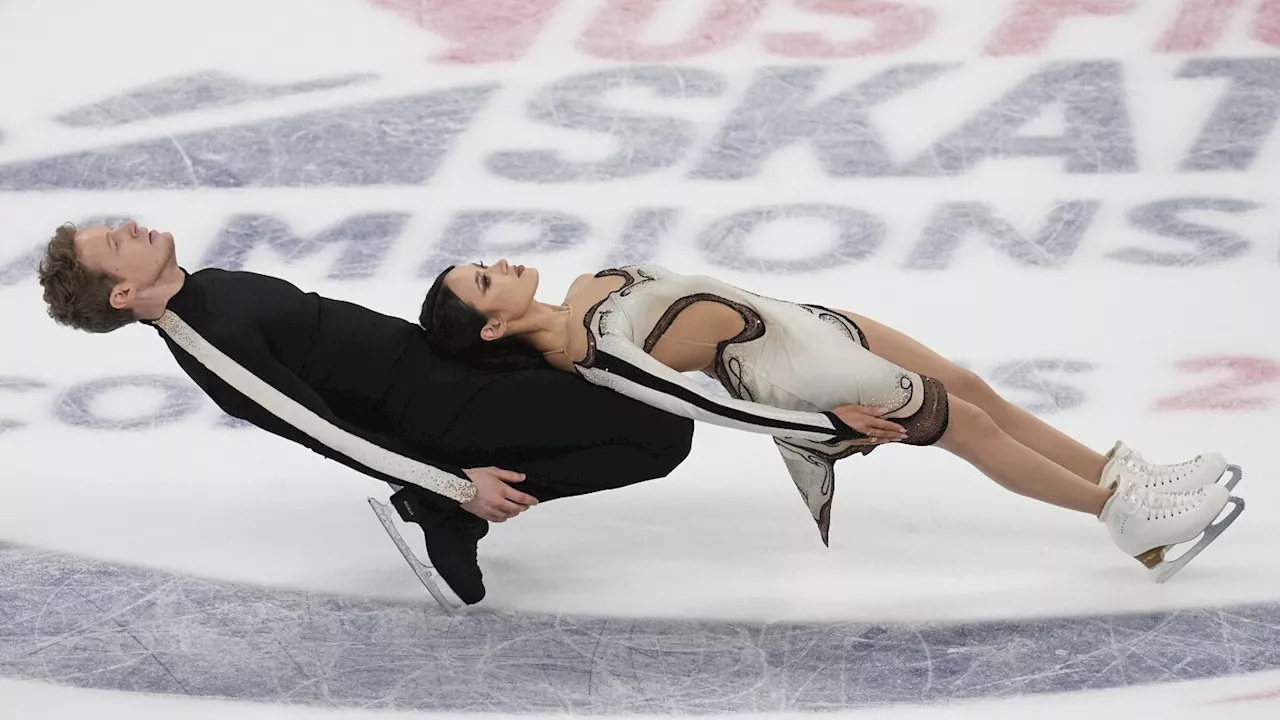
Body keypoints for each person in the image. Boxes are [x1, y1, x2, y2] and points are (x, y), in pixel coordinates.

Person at [418, 259, 1245, 583]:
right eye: (485, 283)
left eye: (483, 265)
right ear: (494, 328)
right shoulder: (602, 350)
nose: (499, 266)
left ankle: (1119, 473)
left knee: (969, 384)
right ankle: (1123, 519)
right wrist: (822, 423)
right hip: (801, 373)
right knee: (966, 426)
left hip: (802, 321)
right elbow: (705, 402)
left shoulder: (585, 293)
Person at [35, 220, 696, 610]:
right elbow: (322, 430)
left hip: (447, 366)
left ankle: (444, 509)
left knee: (638, 389)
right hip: (448, 409)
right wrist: (455, 483)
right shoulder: (205, 340)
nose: (129, 225)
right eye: (115, 242)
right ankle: (443, 507)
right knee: (665, 430)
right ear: (123, 292)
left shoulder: (204, 287)